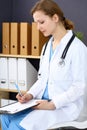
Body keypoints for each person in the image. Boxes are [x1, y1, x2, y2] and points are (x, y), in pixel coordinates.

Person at [1, 0, 87, 130]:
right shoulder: (47, 47)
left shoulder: (78, 49)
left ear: (55, 18)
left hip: (63, 107)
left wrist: (53, 104)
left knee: (16, 126)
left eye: (41, 22)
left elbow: (79, 87)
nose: (38, 27)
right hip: (40, 102)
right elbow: (42, 80)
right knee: (5, 116)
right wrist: (29, 95)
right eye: (36, 23)